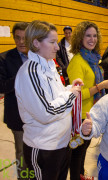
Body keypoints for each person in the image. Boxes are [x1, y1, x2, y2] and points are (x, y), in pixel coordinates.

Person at [14, 20, 83, 180]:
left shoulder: (49, 65)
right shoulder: (30, 72)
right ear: (36, 43)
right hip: (43, 147)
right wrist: (71, 94)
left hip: (60, 143)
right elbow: (46, 112)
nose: (57, 47)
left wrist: (68, 89)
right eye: (52, 42)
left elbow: (55, 97)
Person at [67, 21, 108, 180]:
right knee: (77, 154)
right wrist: (100, 86)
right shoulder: (77, 61)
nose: (92, 39)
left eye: (95, 36)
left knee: (84, 150)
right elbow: (77, 94)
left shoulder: (93, 59)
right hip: (79, 115)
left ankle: (80, 175)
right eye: (88, 35)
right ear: (80, 38)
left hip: (92, 112)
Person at [0, 22, 29, 179]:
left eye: (24, 38)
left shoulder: (37, 56)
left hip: (37, 114)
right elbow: (1, 86)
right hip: (17, 115)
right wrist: (21, 74)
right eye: (17, 38)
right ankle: (23, 177)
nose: (21, 42)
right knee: (22, 152)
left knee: (36, 150)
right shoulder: (4, 58)